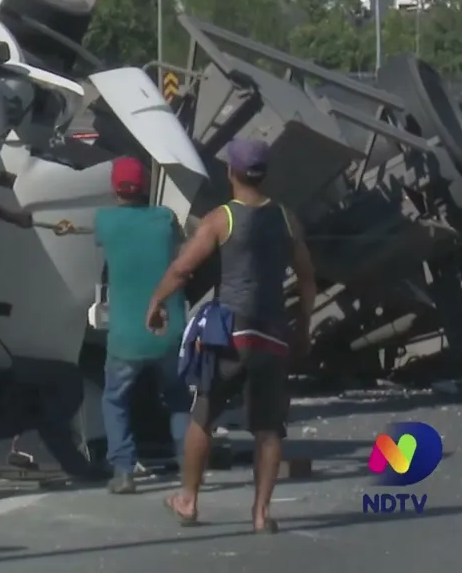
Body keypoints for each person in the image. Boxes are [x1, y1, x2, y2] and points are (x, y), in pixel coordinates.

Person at [144, 138, 316, 534]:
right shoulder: (286, 219)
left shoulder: (221, 219)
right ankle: (260, 514)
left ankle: (187, 500)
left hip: (230, 336)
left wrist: (156, 301)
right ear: (264, 174)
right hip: (272, 336)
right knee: (269, 429)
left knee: (203, 417)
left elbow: (183, 269)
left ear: (231, 173)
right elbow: (307, 279)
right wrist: (303, 326)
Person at [93, 156, 192, 494]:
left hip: (127, 337)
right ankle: (188, 465)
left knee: (115, 399)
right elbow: (181, 244)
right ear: (147, 186)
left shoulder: (104, 221)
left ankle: (123, 471)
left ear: (113, 187)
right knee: (177, 397)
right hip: (169, 329)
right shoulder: (165, 218)